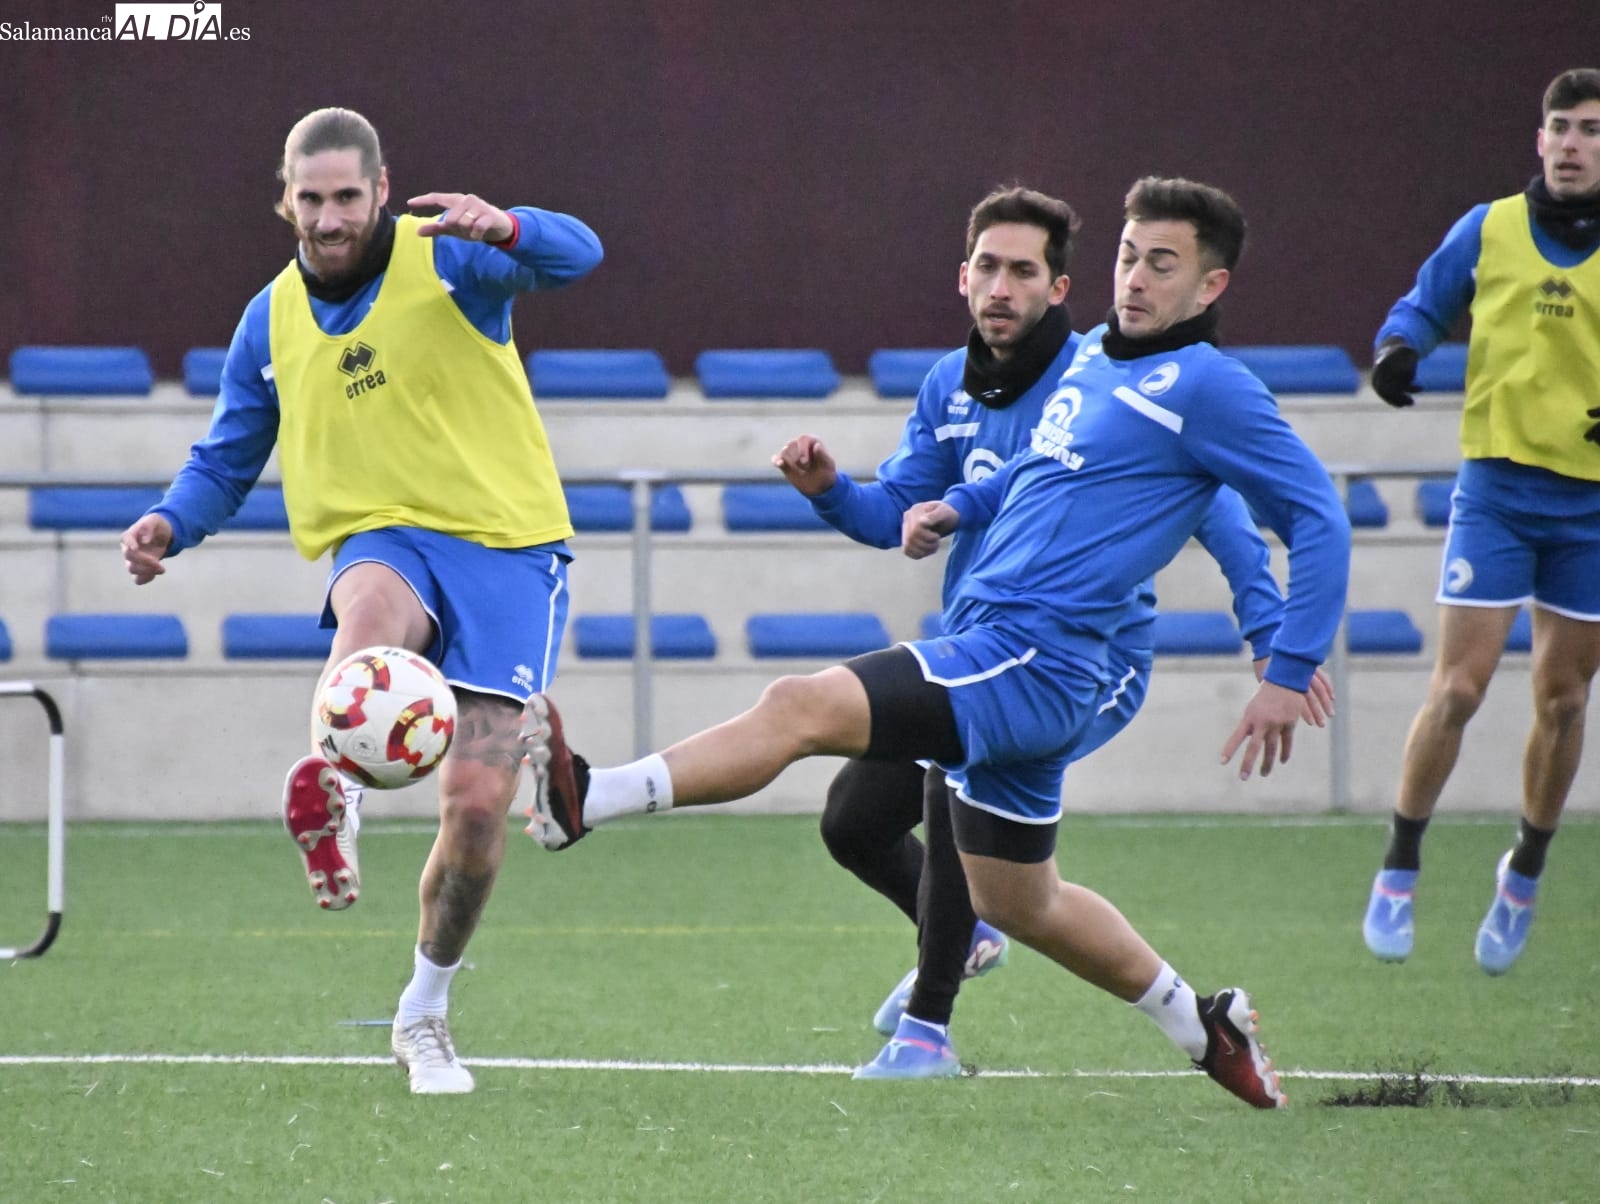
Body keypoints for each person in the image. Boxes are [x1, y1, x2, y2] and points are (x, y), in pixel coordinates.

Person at [520, 176, 1352, 1109]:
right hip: (1010, 650)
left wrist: (1285, 662)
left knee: (800, 706)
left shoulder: (1208, 384)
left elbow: (1314, 516)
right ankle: (1202, 1027)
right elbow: (1033, 472)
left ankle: (591, 796)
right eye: (1129, 256)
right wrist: (959, 503)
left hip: (1037, 654)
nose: (1135, 278)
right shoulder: (1093, 361)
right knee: (1020, 903)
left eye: (1163, 264)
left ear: (1210, 287)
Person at [772, 186, 1323, 1078]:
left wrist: (1271, 639)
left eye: (1024, 271)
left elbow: (1222, 516)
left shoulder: (1105, 374)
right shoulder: (950, 385)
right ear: (962, 277)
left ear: (1060, 288)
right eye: (988, 267)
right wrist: (832, 492)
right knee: (852, 821)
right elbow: (895, 514)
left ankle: (926, 1028)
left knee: (953, 781)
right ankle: (970, 936)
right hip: (978, 645)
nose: (1002, 288)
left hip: (1088, 659)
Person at [118, 107, 603, 1093]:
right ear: (284, 200)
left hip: (510, 550)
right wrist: (171, 521)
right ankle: (334, 788)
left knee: (476, 811)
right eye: (311, 198)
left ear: (382, 190)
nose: (330, 217)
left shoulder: (451, 257)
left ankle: (422, 1010)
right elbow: (227, 455)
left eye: (347, 196)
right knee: (370, 608)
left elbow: (580, 255)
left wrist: (508, 226)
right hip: (384, 539)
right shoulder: (269, 319)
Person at [1360, 69, 1600, 976]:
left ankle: (1524, 872)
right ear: (1539, 139)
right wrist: (1398, 350)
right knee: (1459, 689)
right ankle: (1398, 866)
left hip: (1592, 507)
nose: (1572, 143)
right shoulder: (1489, 226)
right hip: (1497, 491)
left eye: (1592, 130)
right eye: (1560, 126)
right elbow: (1421, 306)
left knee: (1563, 699)